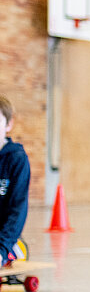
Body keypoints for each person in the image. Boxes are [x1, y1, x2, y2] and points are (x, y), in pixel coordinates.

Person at [0, 95, 30, 266]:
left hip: (6, 239)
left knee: (16, 249)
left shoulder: (17, 159)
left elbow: (17, 211)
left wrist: (2, 249)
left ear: (8, 125)